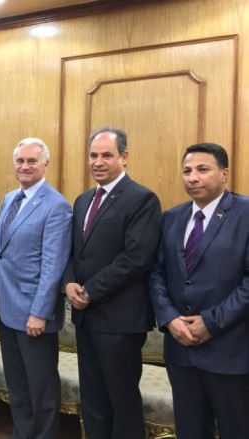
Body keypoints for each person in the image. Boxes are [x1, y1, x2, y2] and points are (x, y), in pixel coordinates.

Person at [61, 126, 161, 439]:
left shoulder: (142, 199)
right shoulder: (82, 199)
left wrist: (89, 290)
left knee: (122, 401)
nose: (98, 161)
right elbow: (73, 253)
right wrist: (68, 284)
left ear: (124, 157)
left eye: (107, 155)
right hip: (85, 318)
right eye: (93, 155)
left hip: (120, 322)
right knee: (93, 400)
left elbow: (136, 258)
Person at [149, 142, 249, 438]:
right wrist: (169, 318)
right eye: (187, 171)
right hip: (181, 349)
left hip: (229, 350)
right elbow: (156, 273)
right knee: (190, 430)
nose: (192, 177)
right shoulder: (171, 217)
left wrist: (211, 322)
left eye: (202, 170)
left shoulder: (245, 213)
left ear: (224, 174)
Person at [0, 138, 72, 439]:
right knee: (18, 386)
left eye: (32, 161)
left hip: (33, 315)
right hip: (7, 308)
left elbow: (53, 266)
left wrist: (40, 313)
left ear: (45, 165)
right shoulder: (11, 197)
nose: (25, 166)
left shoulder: (56, 205)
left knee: (42, 388)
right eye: (20, 161)